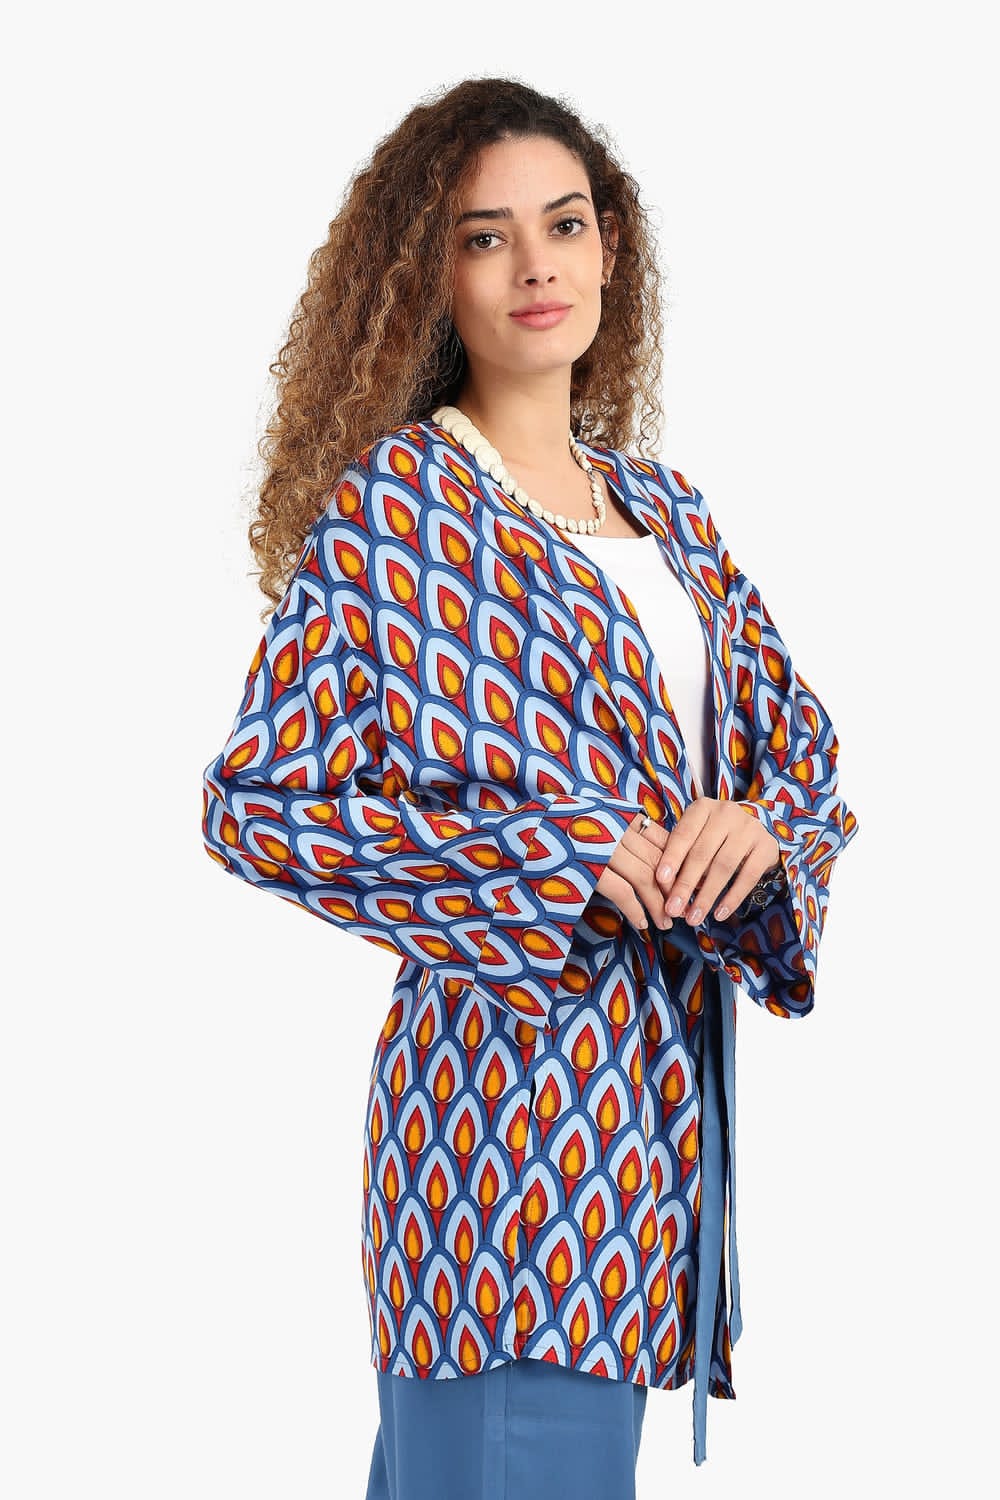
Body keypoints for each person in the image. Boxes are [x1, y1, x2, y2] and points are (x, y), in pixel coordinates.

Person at [200, 77, 860, 1499]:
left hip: (652, 1152)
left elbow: (805, 758)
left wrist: (755, 830)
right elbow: (259, 802)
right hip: (506, 1150)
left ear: (611, 249)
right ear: (431, 276)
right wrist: (551, 860)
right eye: (484, 236)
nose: (536, 266)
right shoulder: (400, 511)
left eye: (564, 225)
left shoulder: (665, 514)